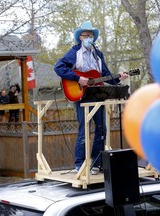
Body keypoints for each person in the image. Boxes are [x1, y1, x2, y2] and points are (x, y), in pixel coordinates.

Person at [54, 21, 128, 175]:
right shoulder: (74, 52)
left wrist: (119, 77)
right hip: (82, 97)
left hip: (97, 95)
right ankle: (79, 164)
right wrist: (76, 78)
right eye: (85, 35)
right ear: (80, 38)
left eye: (91, 35)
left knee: (102, 129)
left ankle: (96, 163)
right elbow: (58, 67)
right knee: (84, 130)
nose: (89, 38)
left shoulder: (98, 54)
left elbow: (106, 76)